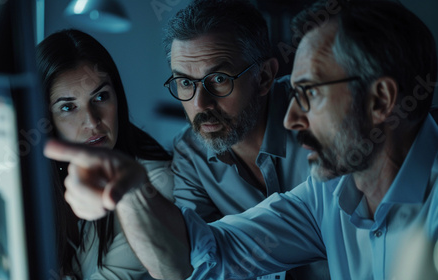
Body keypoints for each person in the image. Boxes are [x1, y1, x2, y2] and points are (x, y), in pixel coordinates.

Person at [44, 0, 438, 279]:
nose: (291, 118)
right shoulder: (327, 195)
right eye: (184, 82)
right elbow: (207, 256)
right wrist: (131, 191)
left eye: (309, 94)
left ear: (381, 100)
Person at [163, 1, 324, 278]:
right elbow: (198, 258)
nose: (200, 104)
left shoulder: (317, 116)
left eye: (219, 79)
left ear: (264, 77)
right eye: (186, 83)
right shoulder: (190, 151)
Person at [36, 29, 174, 279]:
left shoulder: (156, 183)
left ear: (117, 97)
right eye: (68, 107)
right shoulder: (39, 175)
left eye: (101, 97)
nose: (92, 121)